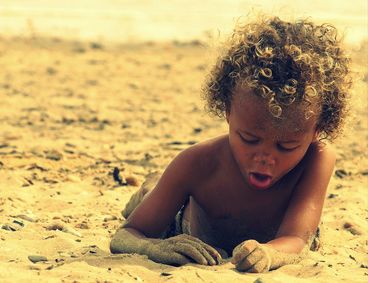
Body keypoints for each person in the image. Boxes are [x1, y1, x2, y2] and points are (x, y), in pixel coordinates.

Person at [110, 15, 352, 273]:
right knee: (155, 196)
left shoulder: (318, 158)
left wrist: (269, 253)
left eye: (287, 146)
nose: (265, 157)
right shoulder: (197, 162)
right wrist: (155, 248)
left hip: (276, 243)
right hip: (184, 225)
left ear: (318, 130)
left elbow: (297, 239)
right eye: (249, 139)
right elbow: (125, 236)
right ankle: (148, 190)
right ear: (227, 111)